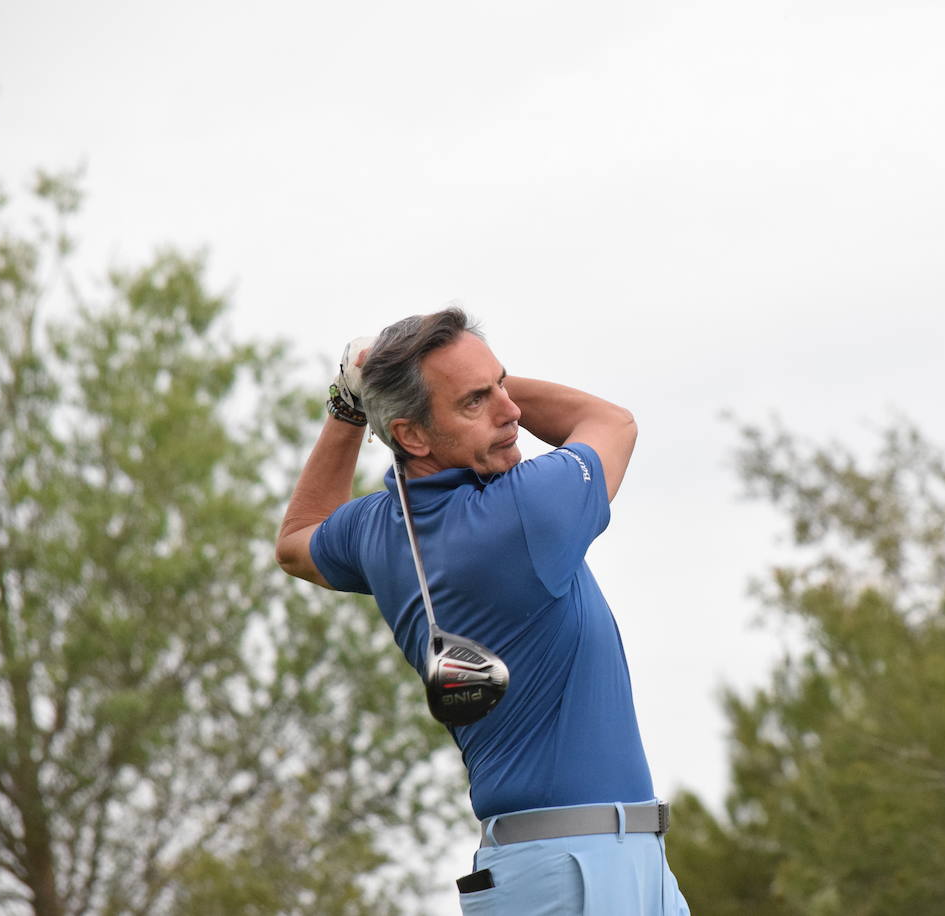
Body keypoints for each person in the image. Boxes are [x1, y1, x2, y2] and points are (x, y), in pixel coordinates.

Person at [275, 307, 690, 915]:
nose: (510, 410)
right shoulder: (524, 511)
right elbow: (609, 421)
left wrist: (353, 401)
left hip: (592, 864)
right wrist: (386, 391)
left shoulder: (377, 530)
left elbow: (296, 540)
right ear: (412, 435)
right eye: (476, 400)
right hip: (576, 871)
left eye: (503, 381)